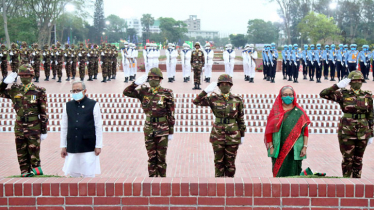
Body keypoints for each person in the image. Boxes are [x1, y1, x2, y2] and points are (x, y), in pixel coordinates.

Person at [123, 68, 175, 177]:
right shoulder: (143, 91)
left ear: (160, 79)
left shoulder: (167, 93)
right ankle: (152, 182)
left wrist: (171, 131)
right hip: (149, 128)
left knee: (161, 158)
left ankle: (162, 181)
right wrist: (135, 84)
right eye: (151, 78)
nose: (153, 80)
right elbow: (126, 92)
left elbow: (171, 113)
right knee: (151, 157)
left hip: (162, 128)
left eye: (155, 78)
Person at [320, 71, 373, 178]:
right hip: (347, 131)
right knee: (347, 159)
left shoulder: (367, 95)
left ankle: (357, 182)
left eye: (359, 80)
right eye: (354, 80)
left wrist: (371, 134)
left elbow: (371, 115)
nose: (357, 82)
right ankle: (347, 182)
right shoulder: (343, 94)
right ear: (350, 82)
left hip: (363, 132)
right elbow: (323, 94)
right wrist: (337, 86)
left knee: (358, 159)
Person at [193, 74, 245, 177]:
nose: (224, 86)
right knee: (218, 162)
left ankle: (230, 186)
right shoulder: (213, 98)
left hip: (233, 135)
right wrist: (205, 91)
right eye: (222, 84)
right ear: (219, 86)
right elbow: (196, 101)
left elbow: (240, 119)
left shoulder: (237, 100)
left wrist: (242, 134)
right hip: (218, 134)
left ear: (231, 86)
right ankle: (219, 187)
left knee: (230, 164)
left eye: (227, 84)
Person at [0, 64, 48, 177]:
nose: (25, 77)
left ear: (32, 76)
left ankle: (36, 172)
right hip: (19, 125)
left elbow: (43, 112)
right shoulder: (15, 89)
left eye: (27, 75)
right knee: (21, 150)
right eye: (22, 75)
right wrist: (5, 83)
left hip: (34, 125)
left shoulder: (39, 90)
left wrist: (44, 130)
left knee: (34, 151)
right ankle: (24, 172)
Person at [265, 86, 310, 177]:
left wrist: (304, 147)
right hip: (278, 147)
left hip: (294, 148)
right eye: (285, 95)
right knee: (278, 173)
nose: (288, 97)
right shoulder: (275, 112)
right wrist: (271, 146)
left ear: (294, 96)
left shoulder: (299, 112)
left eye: (290, 94)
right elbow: (269, 131)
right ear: (281, 96)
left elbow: (305, 131)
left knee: (294, 173)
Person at [60, 81, 102, 178]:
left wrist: (98, 145)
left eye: (78, 90)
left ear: (85, 91)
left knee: (89, 174)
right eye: (73, 91)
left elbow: (98, 126)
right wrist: (63, 146)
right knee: (73, 174)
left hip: (88, 145)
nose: (75, 92)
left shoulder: (93, 104)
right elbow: (64, 126)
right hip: (72, 144)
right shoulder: (68, 105)